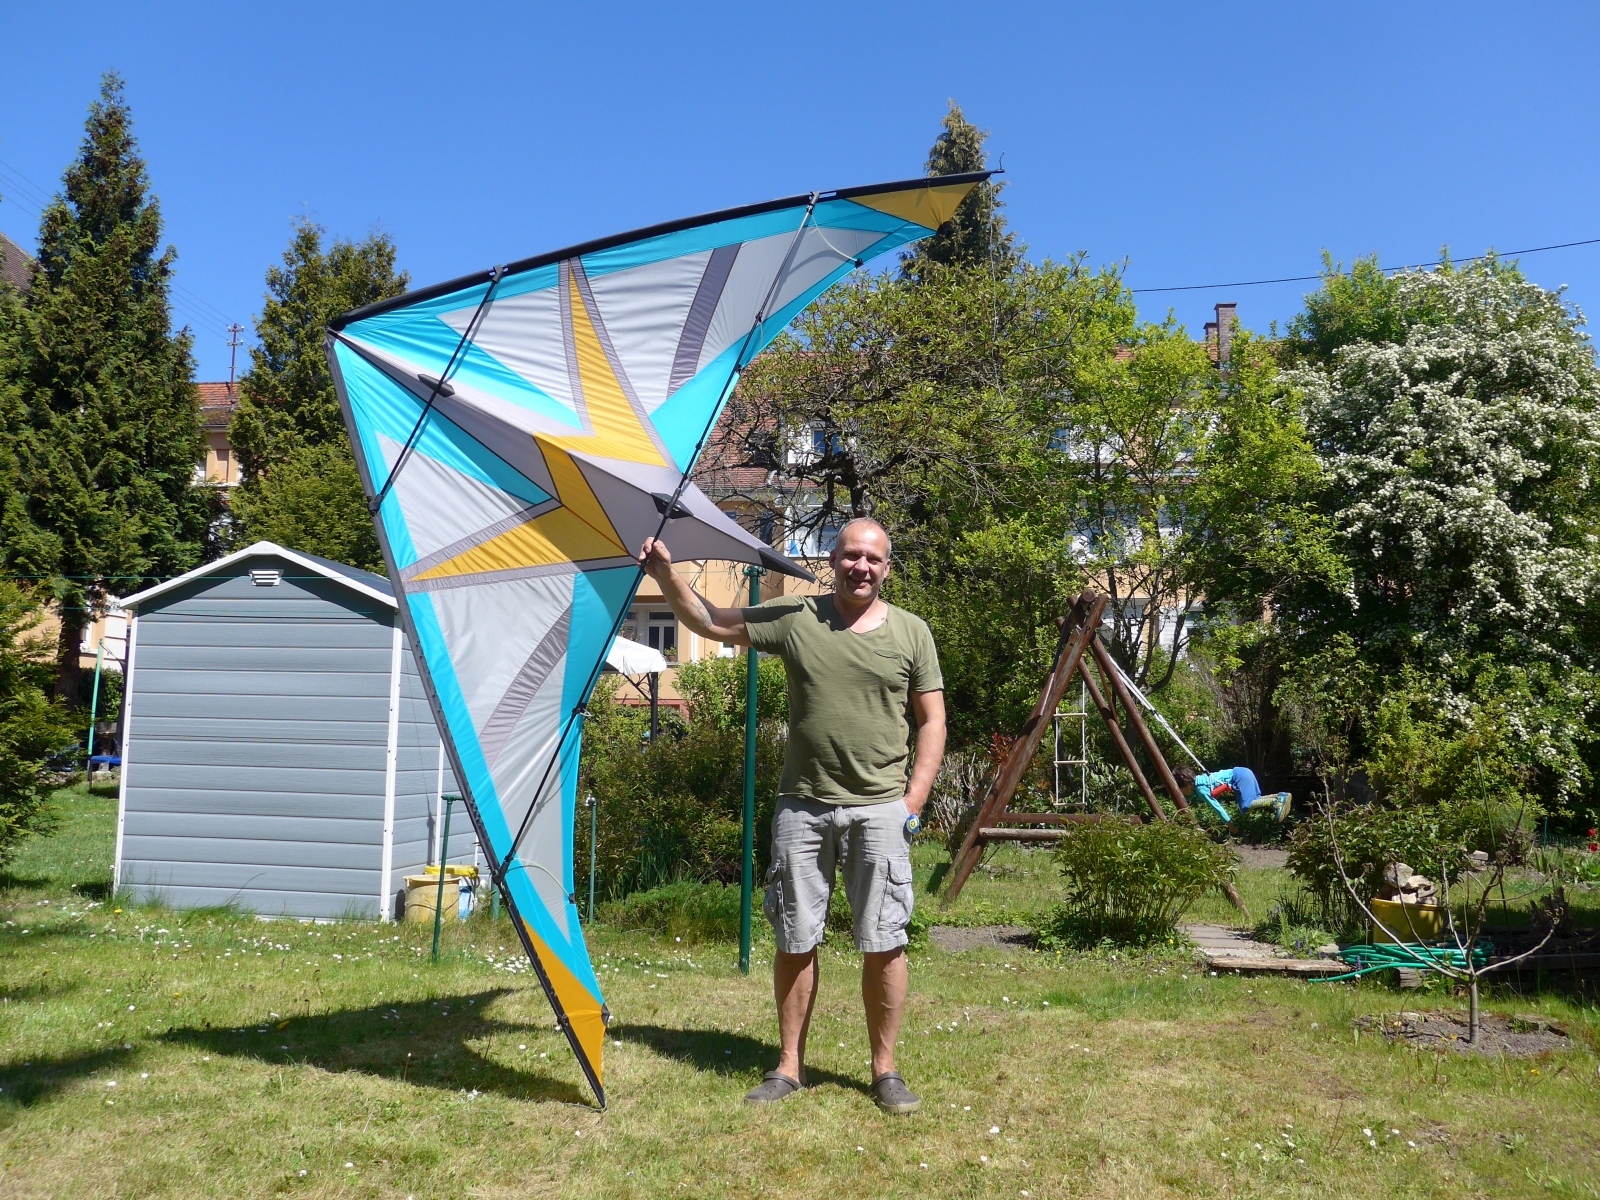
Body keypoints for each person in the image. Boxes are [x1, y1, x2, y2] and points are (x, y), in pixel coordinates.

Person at [638, 517, 945, 1115]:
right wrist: (666, 575)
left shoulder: (912, 632)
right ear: (833, 560)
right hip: (802, 808)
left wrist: (912, 802)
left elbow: (932, 719)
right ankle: (788, 1066)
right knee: (795, 938)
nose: (861, 567)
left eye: (873, 559)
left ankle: (885, 1071)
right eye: (851, 555)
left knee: (885, 941)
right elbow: (710, 621)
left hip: (879, 809)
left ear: (887, 568)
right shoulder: (798, 617)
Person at [1172, 765, 1291, 823]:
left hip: (1239, 776)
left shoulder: (1201, 789)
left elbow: (1217, 807)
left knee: (1245, 807)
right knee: (1255, 802)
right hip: (1243, 772)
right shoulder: (1199, 782)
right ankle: (1280, 796)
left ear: (1186, 784)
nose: (1182, 794)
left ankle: (1276, 801)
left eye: (1180, 790)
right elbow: (1191, 796)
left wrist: (1229, 823)